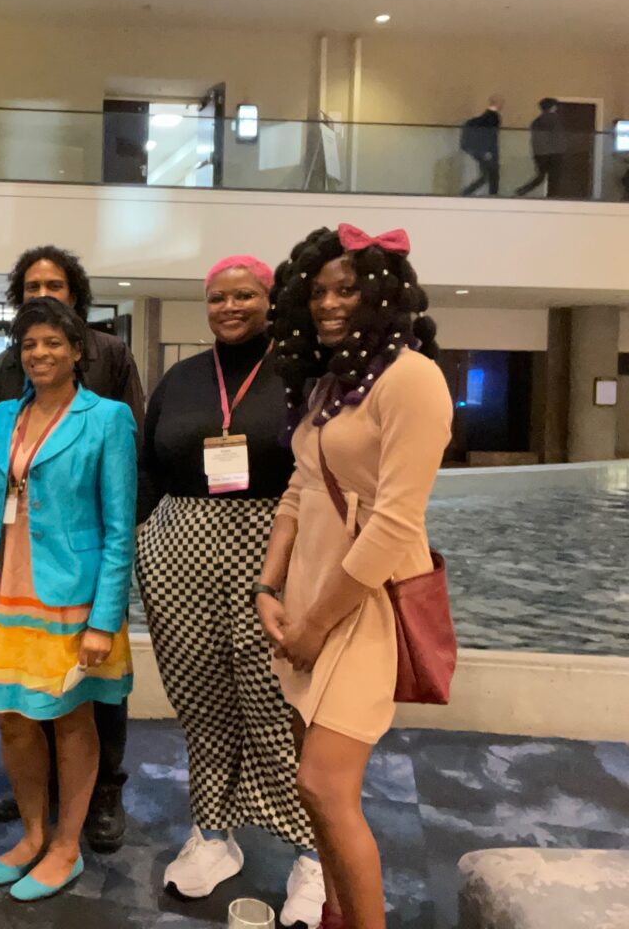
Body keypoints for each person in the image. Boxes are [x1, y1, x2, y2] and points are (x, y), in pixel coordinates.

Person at [257, 224, 452, 929]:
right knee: (316, 796)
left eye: (347, 289)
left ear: (384, 293)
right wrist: (269, 589)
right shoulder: (330, 383)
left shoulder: (412, 378)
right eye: (318, 292)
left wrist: (311, 625)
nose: (330, 304)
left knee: (324, 786)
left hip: (364, 607)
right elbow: (300, 492)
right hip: (309, 600)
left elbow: (395, 527)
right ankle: (337, 915)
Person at [136, 255, 322, 926]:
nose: (230, 306)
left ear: (270, 300)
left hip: (273, 547)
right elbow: (150, 471)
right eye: (218, 297)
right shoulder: (183, 378)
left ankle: (312, 850)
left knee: (277, 702)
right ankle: (213, 833)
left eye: (245, 294)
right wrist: (141, 544)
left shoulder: (303, 373)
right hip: (179, 549)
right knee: (201, 698)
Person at [0, 244, 144, 853]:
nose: (40, 353)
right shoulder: (1, 416)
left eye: (53, 344)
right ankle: (31, 834)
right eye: (29, 345)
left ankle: (68, 845)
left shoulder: (108, 418)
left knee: (73, 720)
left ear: (79, 350)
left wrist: (106, 619)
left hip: (72, 595)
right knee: (14, 723)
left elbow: (120, 528)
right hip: (7, 590)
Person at [516, 98, 565, 197]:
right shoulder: (555, 120)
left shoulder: (536, 121)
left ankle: (522, 191)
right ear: (553, 107)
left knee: (541, 176)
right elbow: (558, 137)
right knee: (554, 177)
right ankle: (552, 198)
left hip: (539, 153)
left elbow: (535, 139)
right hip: (554, 153)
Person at [460, 94, 504, 196]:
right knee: (492, 176)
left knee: (486, 175)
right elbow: (492, 136)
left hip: (483, 152)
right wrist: (489, 151)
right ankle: (492, 196)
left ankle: (467, 192)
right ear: (497, 103)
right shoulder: (493, 117)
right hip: (489, 152)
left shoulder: (486, 117)